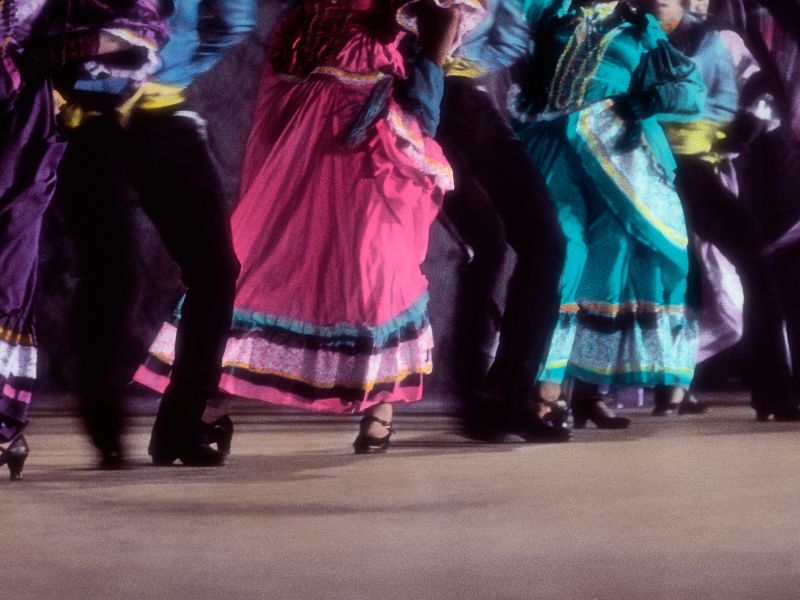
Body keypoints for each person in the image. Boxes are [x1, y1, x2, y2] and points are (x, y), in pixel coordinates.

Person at [135, 0, 487, 453]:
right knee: (267, 247)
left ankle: (380, 400)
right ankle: (208, 396)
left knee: (374, 255)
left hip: (372, 120)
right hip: (305, 109)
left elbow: (446, 15)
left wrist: (422, 98)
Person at [57, 0, 257, 468]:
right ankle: (174, 428)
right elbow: (234, 21)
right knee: (201, 271)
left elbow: (235, 21)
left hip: (95, 111)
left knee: (110, 271)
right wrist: (172, 64)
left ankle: (111, 430)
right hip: (129, 110)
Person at [511, 0, 706, 428]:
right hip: (555, 145)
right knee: (566, 250)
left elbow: (690, 88)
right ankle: (544, 389)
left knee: (613, 256)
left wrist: (654, 96)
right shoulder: (551, 10)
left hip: (618, 154)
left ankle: (587, 392)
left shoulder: (641, 28)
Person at [0, 0, 165, 480]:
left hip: (29, 128)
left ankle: (8, 422)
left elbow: (134, 38)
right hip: (36, 114)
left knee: (12, 271)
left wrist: (49, 62)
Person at [434, 0, 571, 442]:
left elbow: (509, 37)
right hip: (417, 102)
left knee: (547, 242)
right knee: (486, 243)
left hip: (469, 101)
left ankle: (511, 395)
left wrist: (467, 61)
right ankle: (474, 399)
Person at [657, 0, 799, 420]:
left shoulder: (715, 37)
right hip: (635, 169)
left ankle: (773, 391)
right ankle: (585, 392)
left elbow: (762, 95)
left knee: (754, 263)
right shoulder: (625, 35)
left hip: (694, 172)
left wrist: (741, 132)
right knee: (641, 274)